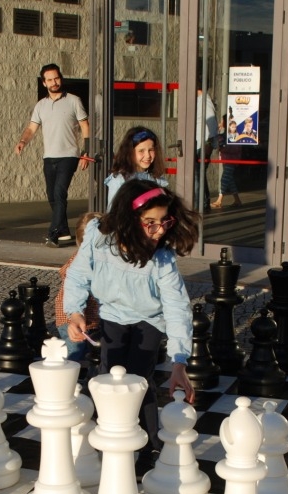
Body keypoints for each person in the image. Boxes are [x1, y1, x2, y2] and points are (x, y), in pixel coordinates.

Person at [63, 179, 198, 475]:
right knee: (110, 376)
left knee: (139, 381)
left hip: (148, 320)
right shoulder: (98, 238)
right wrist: (73, 312)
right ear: (128, 218)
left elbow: (177, 308)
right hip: (112, 315)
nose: (159, 230)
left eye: (164, 222)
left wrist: (179, 361)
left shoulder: (161, 259)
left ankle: (150, 447)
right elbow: (77, 276)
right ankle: (107, 437)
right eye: (150, 223)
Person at [15, 64, 91, 248]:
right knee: (51, 195)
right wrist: (23, 141)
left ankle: (54, 234)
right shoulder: (41, 105)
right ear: (44, 83)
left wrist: (85, 151)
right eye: (49, 79)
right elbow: (32, 128)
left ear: (60, 79)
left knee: (59, 193)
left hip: (69, 155)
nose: (54, 82)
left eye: (56, 78)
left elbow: (84, 126)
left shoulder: (74, 100)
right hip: (49, 157)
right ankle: (64, 231)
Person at [53, 212, 101, 361]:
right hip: (71, 319)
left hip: (94, 321)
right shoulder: (77, 264)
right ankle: (65, 374)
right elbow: (74, 286)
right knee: (75, 352)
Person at [104, 126, 168, 210]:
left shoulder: (156, 178)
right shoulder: (120, 179)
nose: (148, 155)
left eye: (151, 150)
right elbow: (113, 212)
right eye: (141, 151)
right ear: (129, 152)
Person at [194, 87, 218, 211]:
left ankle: (200, 206)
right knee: (199, 174)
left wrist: (208, 144)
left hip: (202, 144)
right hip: (198, 143)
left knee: (197, 175)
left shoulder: (204, 100)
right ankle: (204, 203)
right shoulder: (199, 100)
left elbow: (212, 123)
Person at [212, 116, 242, 209]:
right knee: (230, 180)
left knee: (224, 179)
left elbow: (235, 147)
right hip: (225, 159)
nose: (222, 122)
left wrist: (223, 149)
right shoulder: (224, 133)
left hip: (231, 159)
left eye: (223, 120)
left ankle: (219, 200)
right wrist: (218, 130)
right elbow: (216, 142)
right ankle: (237, 200)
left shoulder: (234, 134)